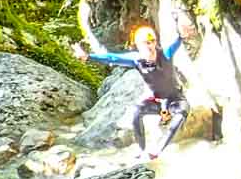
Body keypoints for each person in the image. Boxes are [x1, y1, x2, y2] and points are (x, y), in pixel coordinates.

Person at [74, 23, 190, 160]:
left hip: (175, 100)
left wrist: (181, 36)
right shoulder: (136, 59)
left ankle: (157, 151)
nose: (150, 46)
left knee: (181, 113)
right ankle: (142, 150)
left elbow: (175, 43)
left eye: (152, 42)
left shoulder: (165, 54)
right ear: (139, 45)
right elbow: (112, 58)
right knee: (136, 112)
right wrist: (88, 57)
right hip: (156, 101)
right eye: (146, 43)